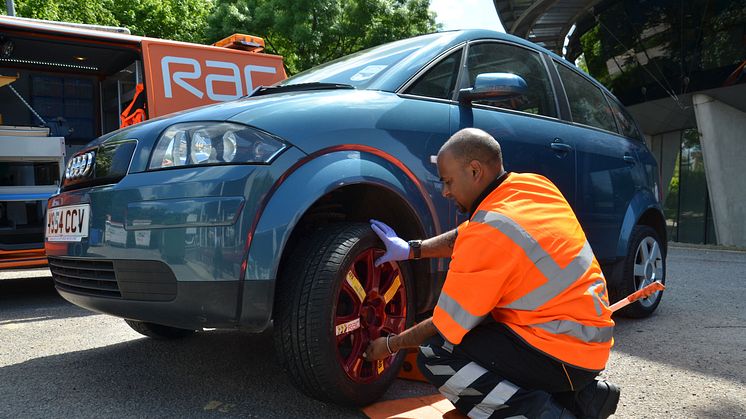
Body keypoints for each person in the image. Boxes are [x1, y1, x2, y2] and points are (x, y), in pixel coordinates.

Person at [363, 128, 619, 418]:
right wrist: (412, 249)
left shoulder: (489, 232)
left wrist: (388, 345)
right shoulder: (533, 186)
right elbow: (468, 233)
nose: (445, 191)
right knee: (482, 327)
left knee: (435, 353)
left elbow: (443, 325)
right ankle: (583, 399)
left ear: (474, 171)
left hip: (562, 353)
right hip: (590, 344)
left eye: (448, 181)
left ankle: (544, 413)